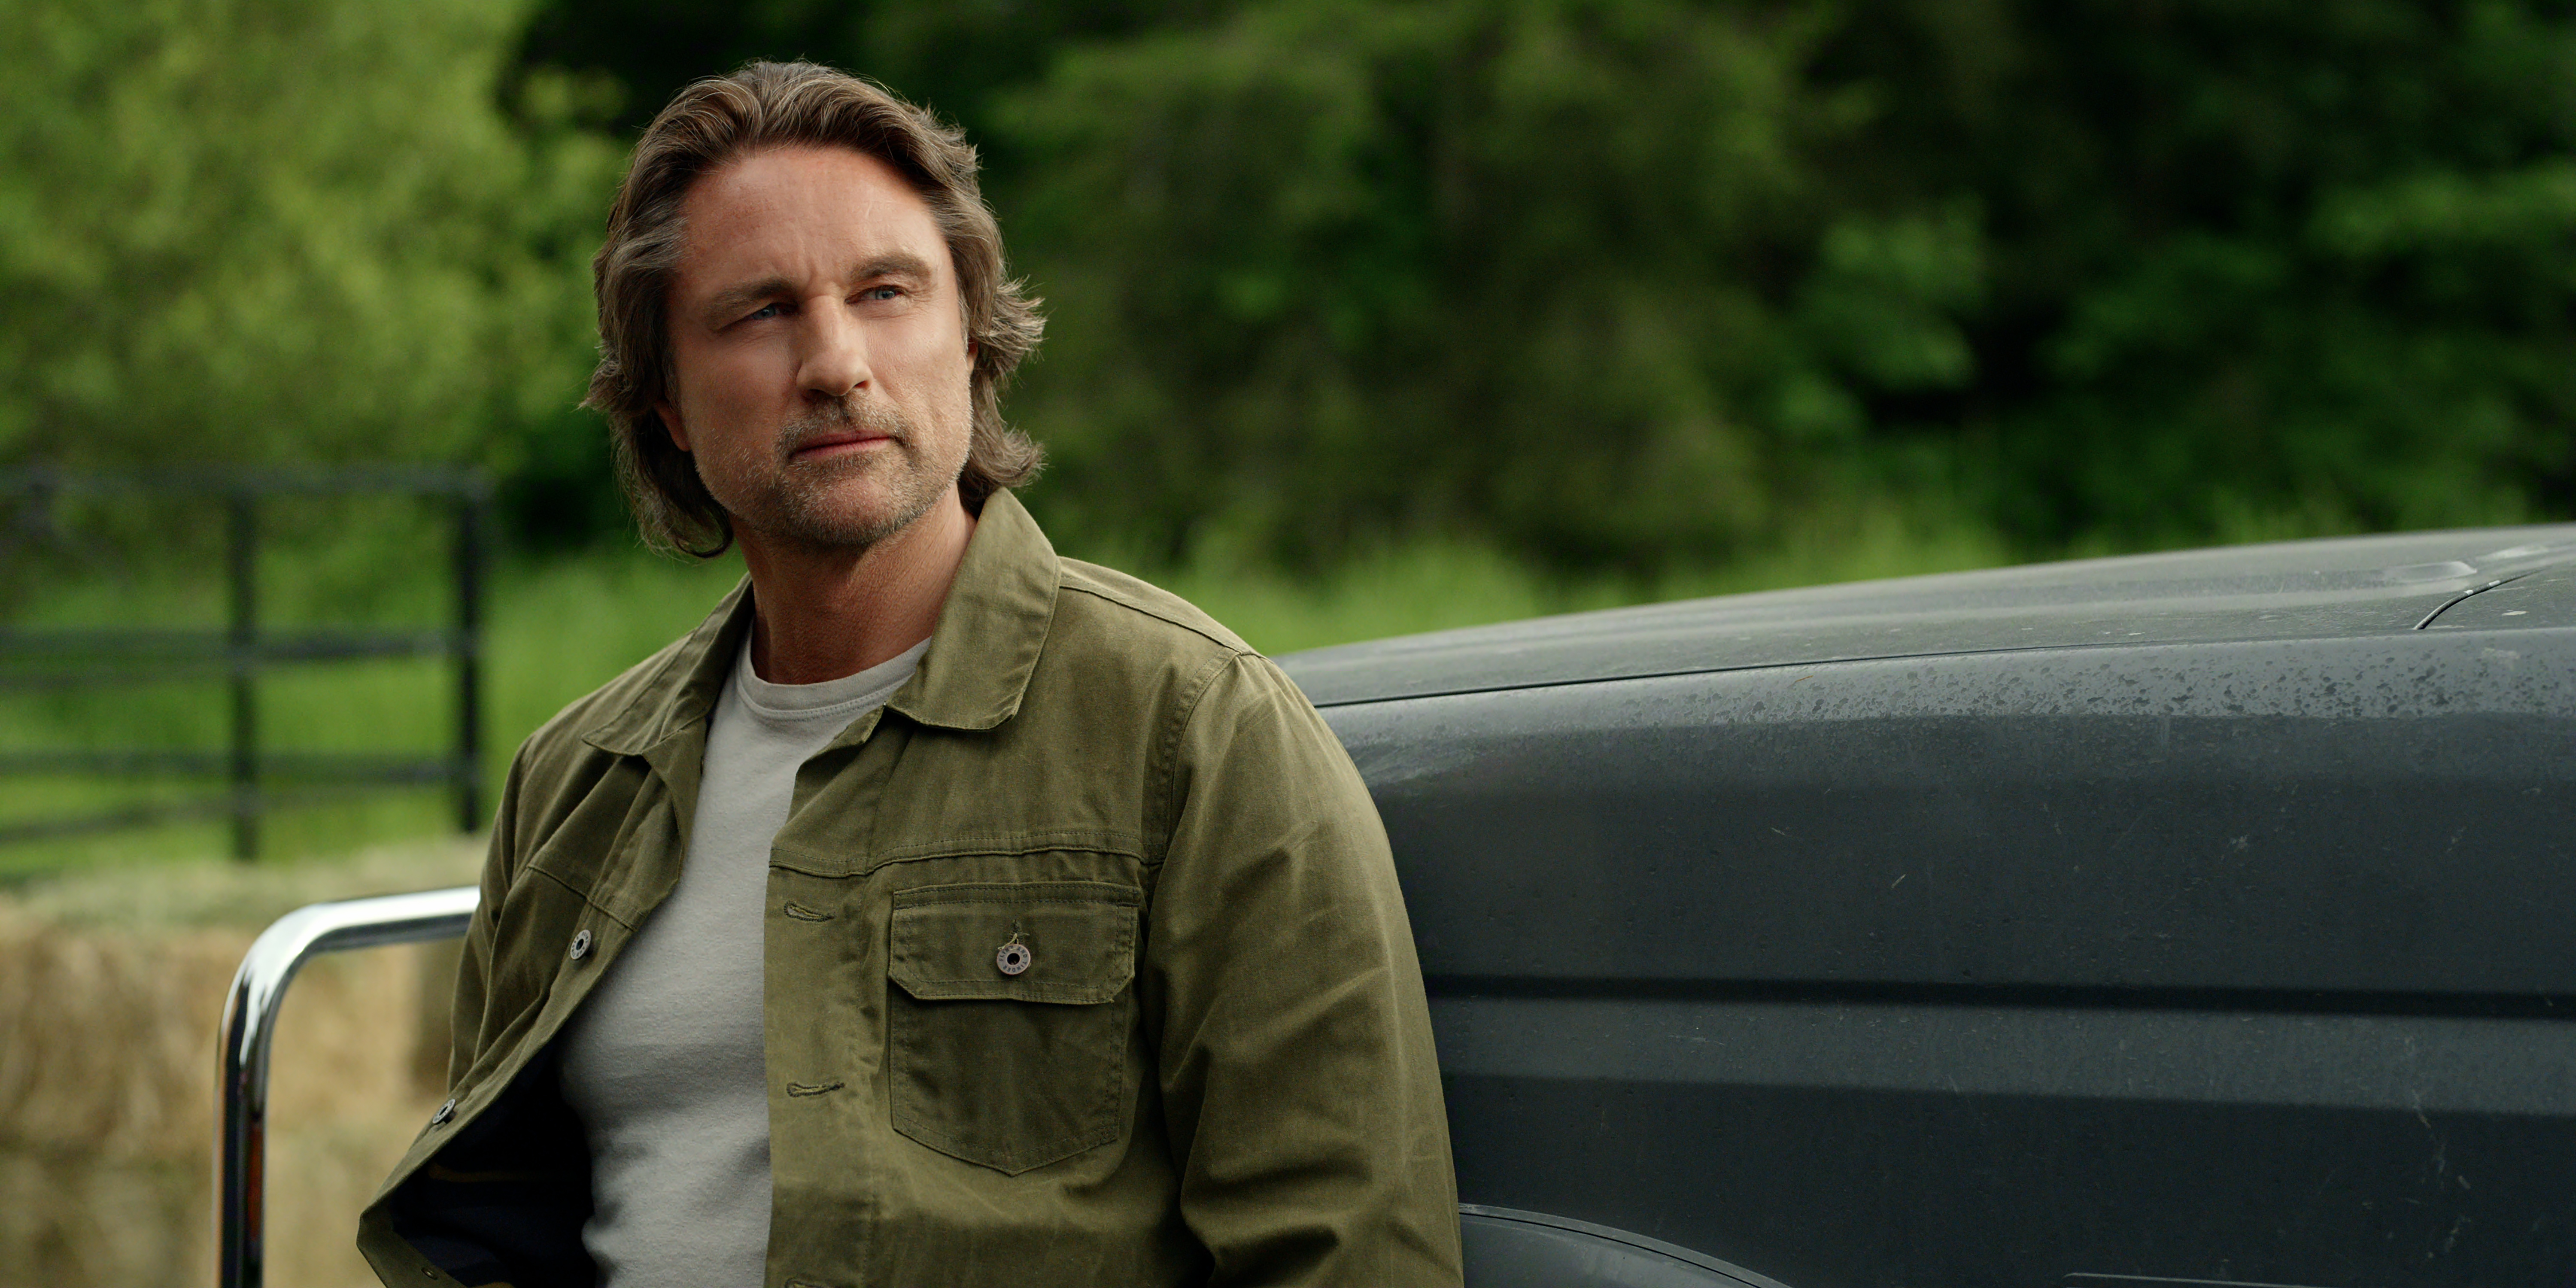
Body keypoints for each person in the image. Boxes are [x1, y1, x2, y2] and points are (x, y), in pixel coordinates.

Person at [355, 61, 1461, 1288]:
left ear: (973, 339)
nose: (836, 362)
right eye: (762, 311)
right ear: (664, 400)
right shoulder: (572, 787)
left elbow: (1350, 1259)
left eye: (886, 293)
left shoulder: (1194, 732)